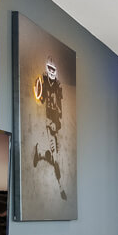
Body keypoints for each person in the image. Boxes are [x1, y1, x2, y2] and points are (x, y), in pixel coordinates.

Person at [32, 56, 68, 201]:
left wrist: (58, 122)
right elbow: (41, 99)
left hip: (55, 123)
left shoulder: (58, 86)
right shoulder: (44, 81)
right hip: (48, 122)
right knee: (56, 158)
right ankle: (61, 189)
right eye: (50, 68)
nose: (52, 71)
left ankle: (40, 153)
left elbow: (60, 106)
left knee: (55, 156)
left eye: (54, 69)